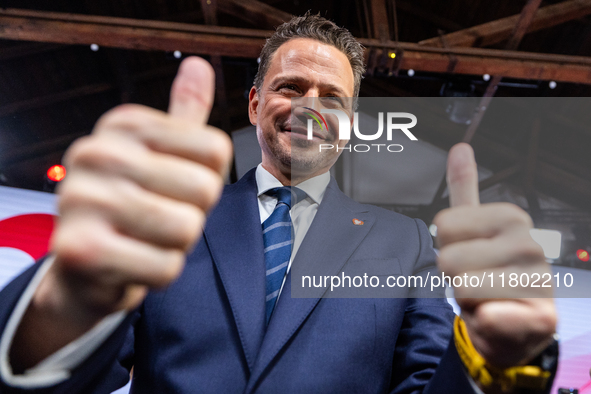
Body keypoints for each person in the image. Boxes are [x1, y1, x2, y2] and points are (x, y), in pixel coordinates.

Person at [0, 13, 557, 393]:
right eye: (291, 87)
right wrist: (64, 302)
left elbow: (427, 384)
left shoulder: (403, 243)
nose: (311, 107)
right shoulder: (171, 219)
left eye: (333, 98)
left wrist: (493, 360)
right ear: (253, 103)